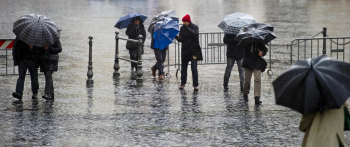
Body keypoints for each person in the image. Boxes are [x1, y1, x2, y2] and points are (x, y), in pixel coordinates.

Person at [175, 14, 203, 91]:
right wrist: (177, 37)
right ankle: (183, 83)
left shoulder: (195, 27)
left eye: (184, 22)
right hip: (185, 51)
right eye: (183, 22)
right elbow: (181, 39)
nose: (183, 23)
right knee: (184, 68)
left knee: (194, 68)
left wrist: (187, 28)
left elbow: (195, 35)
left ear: (188, 21)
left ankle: (195, 85)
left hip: (194, 51)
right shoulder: (182, 28)